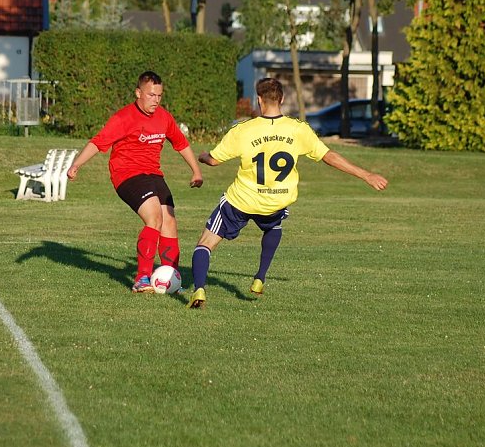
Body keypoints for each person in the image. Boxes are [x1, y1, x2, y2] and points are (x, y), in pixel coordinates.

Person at [188, 77, 388, 308]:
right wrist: (366, 175)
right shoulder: (298, 129)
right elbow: (329, 156)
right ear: (281, 99)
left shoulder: (243, 130)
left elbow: (214, 161)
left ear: (259, 99)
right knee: (273, 225)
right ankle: (260, 277)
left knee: (205, 243)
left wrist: (203, 156)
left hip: (242, 200)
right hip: (276, 201)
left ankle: (199, 290)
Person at [67, 71, 204, 293]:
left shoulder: (164, 117)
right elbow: (98, 142)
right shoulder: (123, 118)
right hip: (126, 174)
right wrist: (76, 165)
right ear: (138, 93)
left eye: (159, 95)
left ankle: (171, 278)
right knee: (155, 217)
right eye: (151, 95)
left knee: (169, 221)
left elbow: (181, 143)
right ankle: (142, 279)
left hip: (153, 174)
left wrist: (196, 171)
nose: (156, 100)